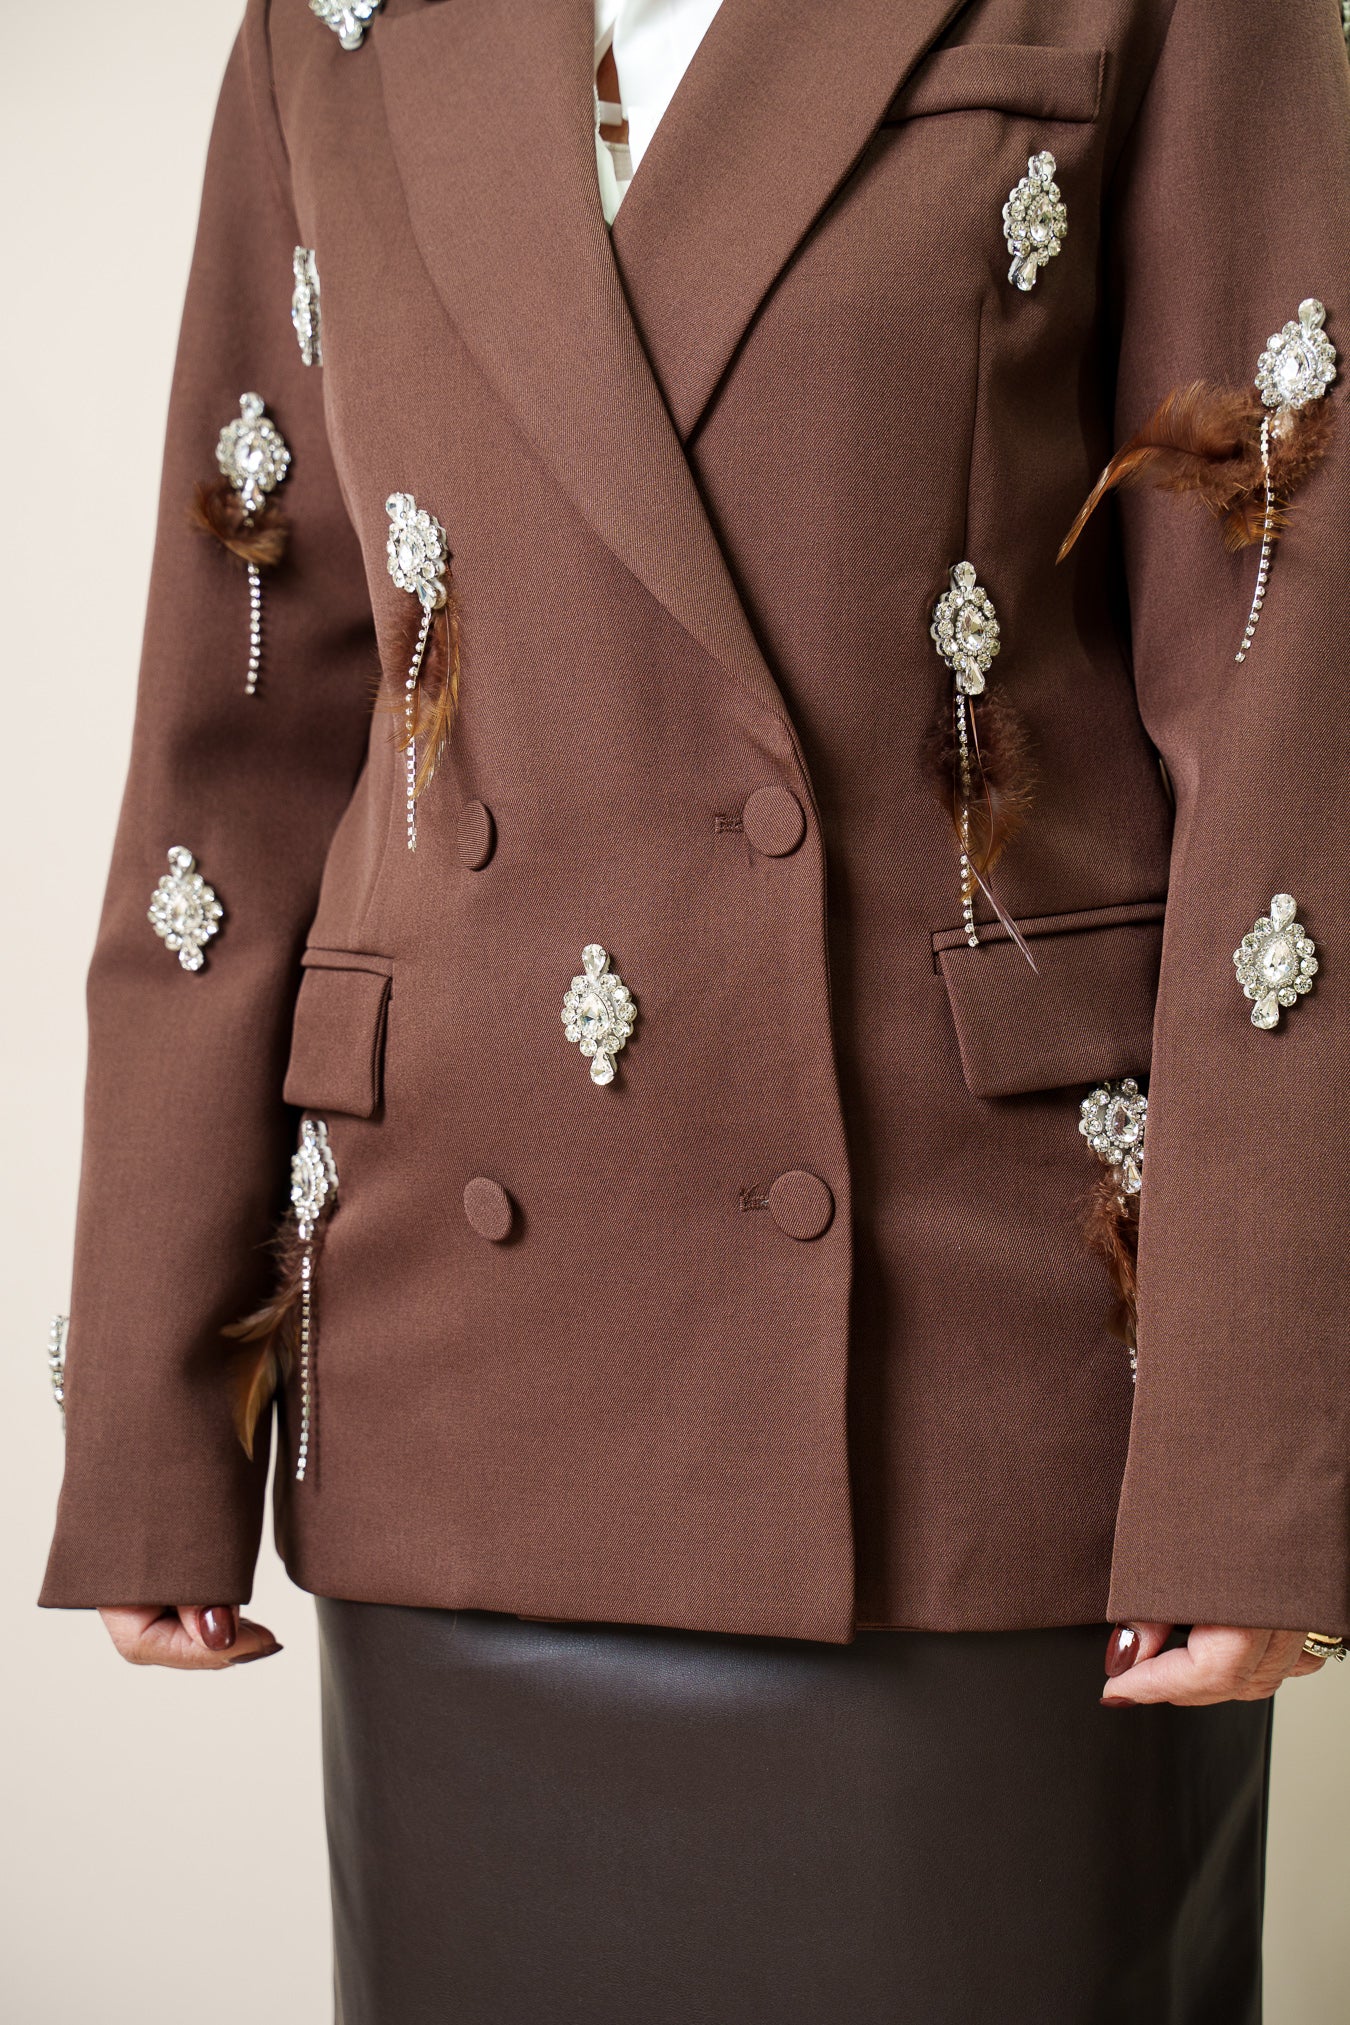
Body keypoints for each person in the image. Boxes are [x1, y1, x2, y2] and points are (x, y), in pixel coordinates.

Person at [41, 1, 1349, 2019]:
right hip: (465, 1388)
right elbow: (241, 727)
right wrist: (150, 1407)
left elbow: (1287, 705)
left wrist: (1254, 1451)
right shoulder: (332, 28)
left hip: (973, 1384)